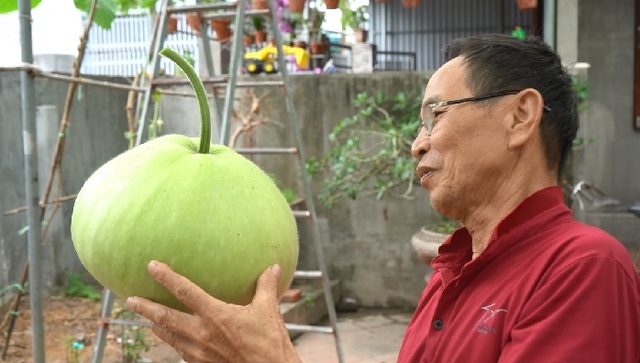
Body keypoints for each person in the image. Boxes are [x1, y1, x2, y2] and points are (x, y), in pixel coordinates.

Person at [126, 34, 640, 362]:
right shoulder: (452, 272)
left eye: (435, 114)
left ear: (520, 117)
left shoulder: (582, 268)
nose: (417, 142)